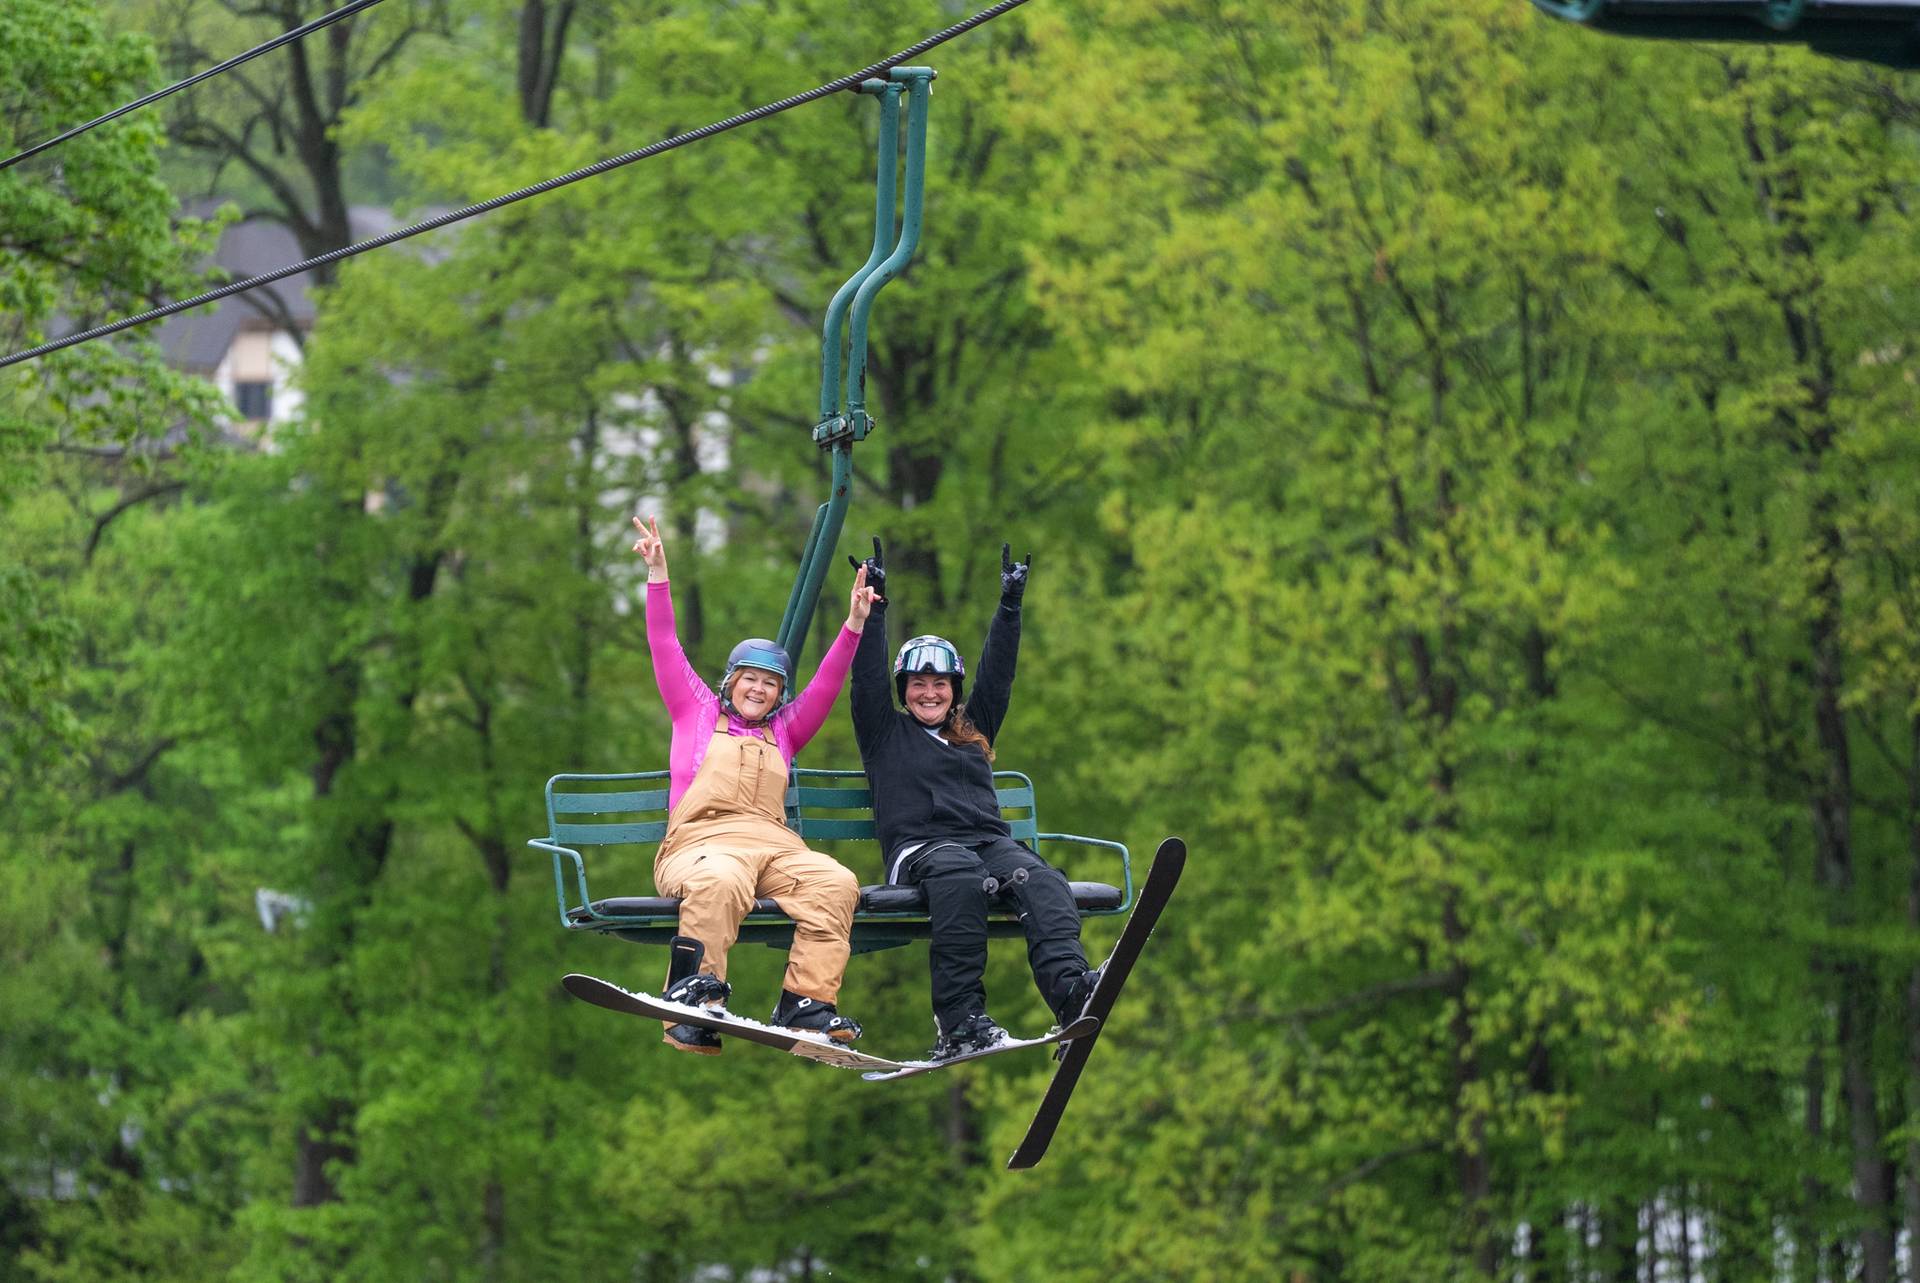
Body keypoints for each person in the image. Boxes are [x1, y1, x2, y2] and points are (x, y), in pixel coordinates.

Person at [633, 514, 879, 1054]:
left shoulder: (786, 731)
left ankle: (806, 1005)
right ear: (731, 681)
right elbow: (665, 643)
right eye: (751, 680)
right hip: (700, 845)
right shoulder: (693, 711)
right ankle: (690, 997)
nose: (760, 691)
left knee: (835, 882)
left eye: (771, 685)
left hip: (774, 847)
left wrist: (854, 625)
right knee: (720, 880)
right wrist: (657, 576)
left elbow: (827, 684)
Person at [847, 539, 1101, 1061]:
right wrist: (875, 605)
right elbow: (866, 678)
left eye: (940, 684)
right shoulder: (884, 733)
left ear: (954, 690)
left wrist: (1010, 607)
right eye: (918, 685)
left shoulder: (972, 729)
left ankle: (1071, 992)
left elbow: (999, 676)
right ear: (904, 690)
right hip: (920, 851)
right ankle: (960, 1020)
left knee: (1042, 877)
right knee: (962, 873)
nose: (929, 694)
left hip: (986, 843)